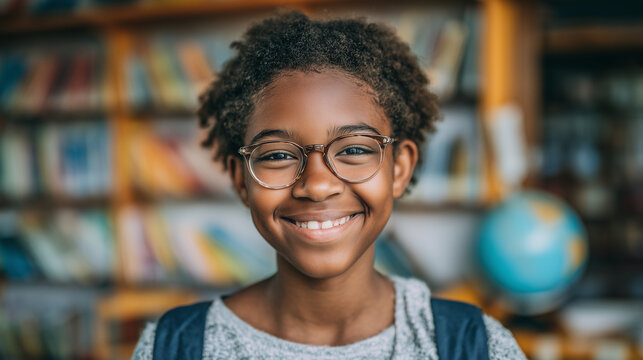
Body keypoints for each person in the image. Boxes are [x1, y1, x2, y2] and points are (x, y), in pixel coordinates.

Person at [132, 10, 527, 359]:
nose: (317, 186)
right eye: (278, 155)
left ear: (400, 167)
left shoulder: (476, 347)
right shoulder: (174, 347)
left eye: (354, 149)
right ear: (241, 179)